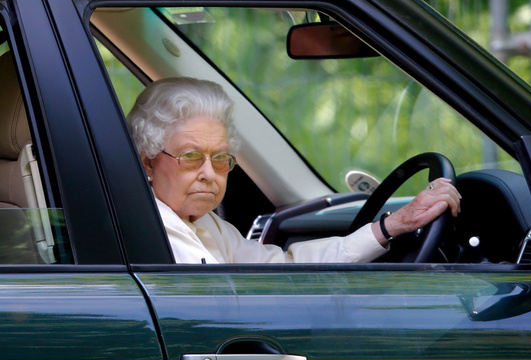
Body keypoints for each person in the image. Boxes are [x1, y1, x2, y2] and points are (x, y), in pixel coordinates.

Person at [127, 77, 461, 264]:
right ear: (147, 162)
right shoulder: (151, 230)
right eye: (190, 156)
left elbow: (284, 270)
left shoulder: (204, 222)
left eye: (220, 158)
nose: (208, 173)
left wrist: (392, 226)